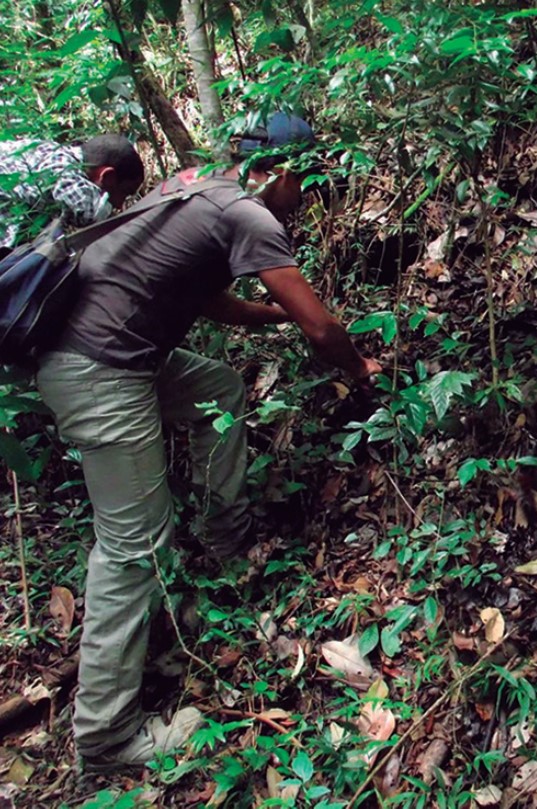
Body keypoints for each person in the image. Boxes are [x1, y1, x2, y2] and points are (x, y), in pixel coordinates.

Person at [34, 112, 382, 773]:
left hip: (104, 352)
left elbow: (211, 302)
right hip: (99, 369)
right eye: (306, 184)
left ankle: (228, 539)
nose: (305, 199)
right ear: (281, 171)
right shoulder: (251, 215)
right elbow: (323, 331)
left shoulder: (193, 185)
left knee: (217, 388)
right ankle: (105, 738)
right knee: (133, 548)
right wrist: (357, 364)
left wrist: (278, 314)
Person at [0, 135, 145, 252]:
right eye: (124, 192)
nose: (119, 205)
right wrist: (106, 207)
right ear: (107, 177)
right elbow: (86, 214)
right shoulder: (61, 165)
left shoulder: (48, 149)